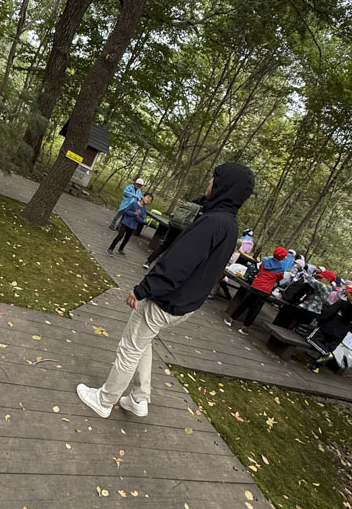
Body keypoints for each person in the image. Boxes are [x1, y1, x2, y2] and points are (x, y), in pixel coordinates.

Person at [77, 162, 255, 418]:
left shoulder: (213, 222)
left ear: (224, 185)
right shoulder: (229, 225)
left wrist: (143, 289)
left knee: (130, 347)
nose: (209, 183)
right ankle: (139, 398)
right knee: (142, 342)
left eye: (213, 178)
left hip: (165, 300)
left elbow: (178, 265)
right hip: (185, 304)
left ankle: (104, 400)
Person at [224, 246, 294, 333]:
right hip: (265, 290)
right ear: (283, 257)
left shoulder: (265, 262)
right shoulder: (280, 269)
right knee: (255, 309)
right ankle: (245, 327)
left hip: (255, 286)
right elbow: (279, 279)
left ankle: (230, 319)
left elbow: (260, 269)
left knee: (244, 304)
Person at [306, 286, 352, 372]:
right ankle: (315, 367)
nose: (347, 294)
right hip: (340, 335)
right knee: (328, 347)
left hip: (326, 329)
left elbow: (328, 313)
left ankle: (327, 354)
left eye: (350, 293)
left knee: (310, 338)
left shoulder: (341, 304)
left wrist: (320, 318)